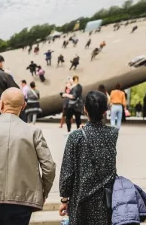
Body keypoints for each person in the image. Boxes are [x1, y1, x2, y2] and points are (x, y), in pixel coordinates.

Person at [0, 88, 56, 225]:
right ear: (24, 106)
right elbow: (49, 167)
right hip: (23, 200)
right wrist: (42, 193)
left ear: (1, 104)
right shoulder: (33, 132)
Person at [59, 91, 118, 225]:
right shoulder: (113, 134)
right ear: (105, 111)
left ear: (85, 109)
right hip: (105, 201)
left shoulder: (76, 136)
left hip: (81, 201)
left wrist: (64, 199)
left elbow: (67, 171)